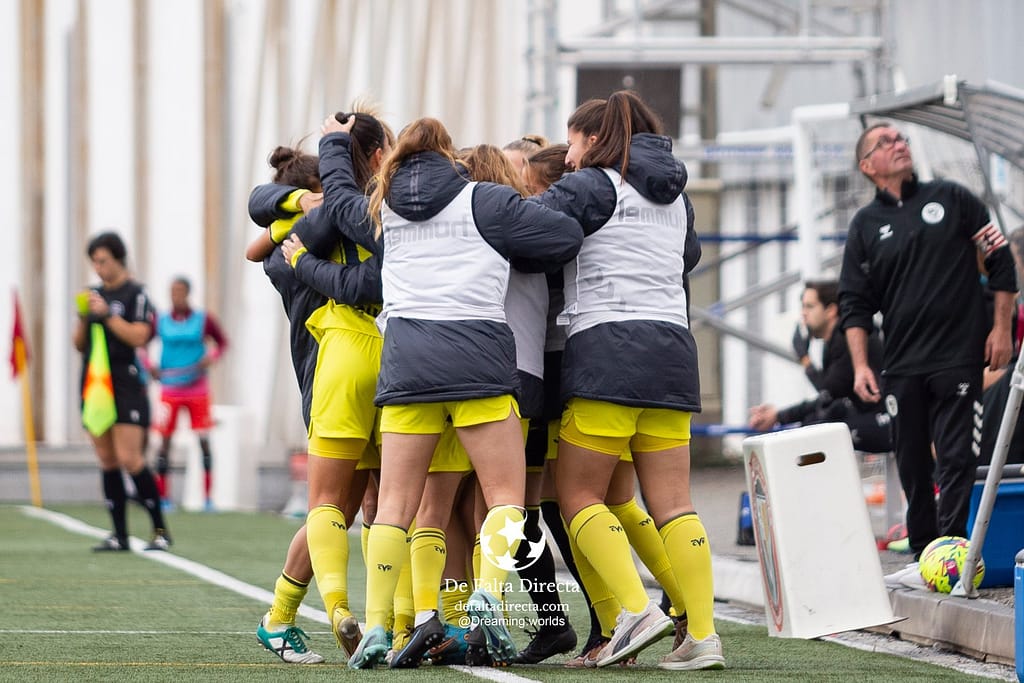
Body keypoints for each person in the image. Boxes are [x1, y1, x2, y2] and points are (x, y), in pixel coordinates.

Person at [334, 116, 583, 669]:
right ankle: (489, 596)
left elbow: (338, 199)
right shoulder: (486, 201)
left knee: (397, 506)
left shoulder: (383, 205)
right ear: (450, 154)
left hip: (406, 366)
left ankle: (378, 626)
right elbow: (564, 236)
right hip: (477, 363)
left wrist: (334, 143)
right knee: (504, 495)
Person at [534, 90, 724, 670]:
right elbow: (686, 258)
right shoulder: (677, 196)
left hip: (608, 352)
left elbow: (535, 236)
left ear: (593, 139)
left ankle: (634, 611)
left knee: (577, 495)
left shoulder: (590, 185)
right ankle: (703, 635)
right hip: (672, 351)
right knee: (673, 503)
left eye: (572, 141)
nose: (567, 154)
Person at [838, 123, 1017, 588]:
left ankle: (955, 551)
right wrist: (860, 365)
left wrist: (1001, 329)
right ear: (867, 165)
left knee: (957, 456)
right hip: (901, 364)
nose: (899, 144)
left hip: (958, 357)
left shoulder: (953, 199)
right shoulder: (865, 226)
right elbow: (855, 303)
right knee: (913, 461)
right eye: (886, 142)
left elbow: (1002, 261)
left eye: (902, 139)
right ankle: (923, 556)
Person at [73, 231, 170, 552]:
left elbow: (139, 336)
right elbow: (79, 344)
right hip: (95, 383)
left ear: (118, 259)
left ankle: (160, 529)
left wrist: (108, 315)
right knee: (107, 459)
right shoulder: (93, 294)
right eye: (94, 262)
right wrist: (84, 316)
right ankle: (119, 535)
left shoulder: (135, 294)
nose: (98, 268)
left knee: (131, 458)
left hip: (126, 383)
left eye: (103, 261)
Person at [748, 280, 891, 454]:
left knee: (814, 433)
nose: (803, 314)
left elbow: (827, 391)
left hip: (889, 417)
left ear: (830, 310)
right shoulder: (833, 341)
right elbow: (828, 396)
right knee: (812, 423)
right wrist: (779, 416)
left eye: (809, 307)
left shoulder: (846, 337)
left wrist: (805, 360)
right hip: (871, 414)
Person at [150, 276, 228, 511]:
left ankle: (208, 498)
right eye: (173, 291)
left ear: (188, 293)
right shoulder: (160, 320)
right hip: (170, 389)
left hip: (197, 389)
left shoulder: (203, 320)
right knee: (164, 442)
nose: (177, 295)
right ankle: (163, 497)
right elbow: (141, 344)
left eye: (181, 291)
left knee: (203, 440)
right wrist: (149, 365)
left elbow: (222, 343)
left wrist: (210, 358)